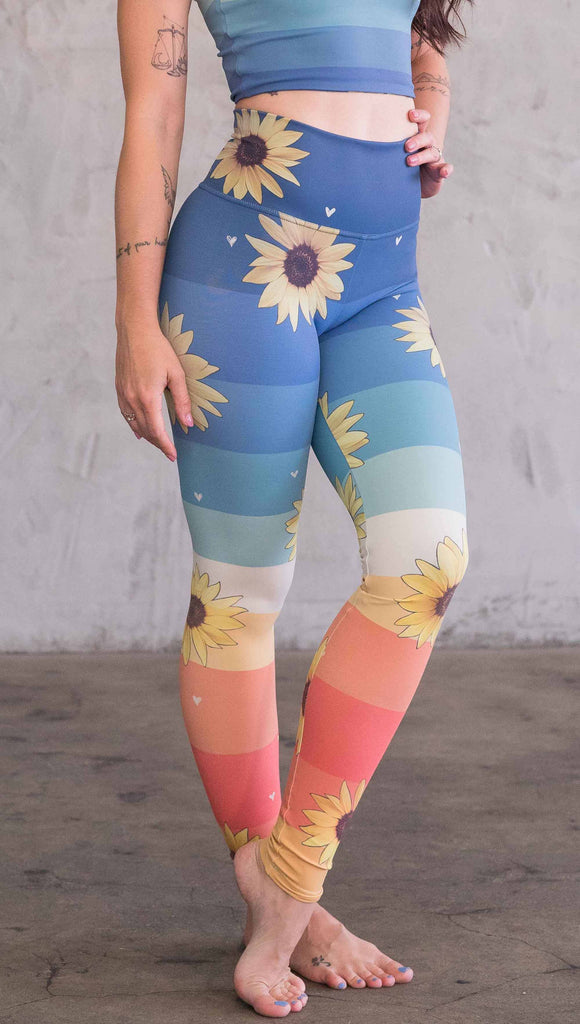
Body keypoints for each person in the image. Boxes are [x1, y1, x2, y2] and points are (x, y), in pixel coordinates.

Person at [114, 0, 473, 1016]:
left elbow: (422, 34)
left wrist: (431, 107)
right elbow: (154, 112)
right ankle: (273, 895)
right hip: (238, 265)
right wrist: (133, 319)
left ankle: (289, 881)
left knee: (427, 562)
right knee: (240, 587)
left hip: (382, 280)